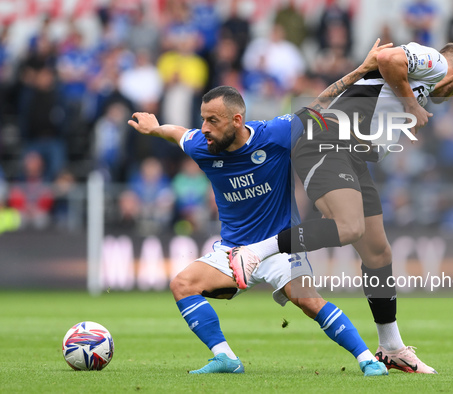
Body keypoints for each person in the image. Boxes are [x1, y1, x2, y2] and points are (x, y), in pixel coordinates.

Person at [127, 41, 392, 376]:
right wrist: (154, 128)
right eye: (203, 120)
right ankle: (225, 357)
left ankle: (367, 358)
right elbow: (177, 133)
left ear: (236, 120)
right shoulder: (202, 146)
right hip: (233, 249)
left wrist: (362, 70)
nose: (205, 128)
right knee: (182, 284)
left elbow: (321, 103)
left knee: (308, 300)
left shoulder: (275, 135)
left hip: (280, 245)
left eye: (213, 120)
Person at [230, 41, 453, 374]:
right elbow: (389, 57)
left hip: (352, 154)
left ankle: (391, 347)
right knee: (349, 227)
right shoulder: (436, 64)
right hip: (328, 140)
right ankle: (254, 253)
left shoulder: (420, 81)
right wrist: (412, 106)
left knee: (378, 254)